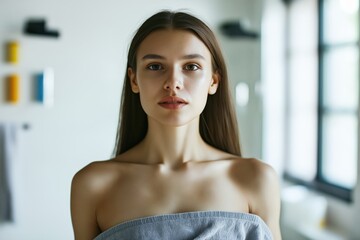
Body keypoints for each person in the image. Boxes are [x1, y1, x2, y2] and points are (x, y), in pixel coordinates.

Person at [71, 10, 282, 240]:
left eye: (191, 67)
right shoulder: (93, 185)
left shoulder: (256, 179)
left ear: (213, 81)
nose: (173, 83)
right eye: (155, 66)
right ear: (134, 80)